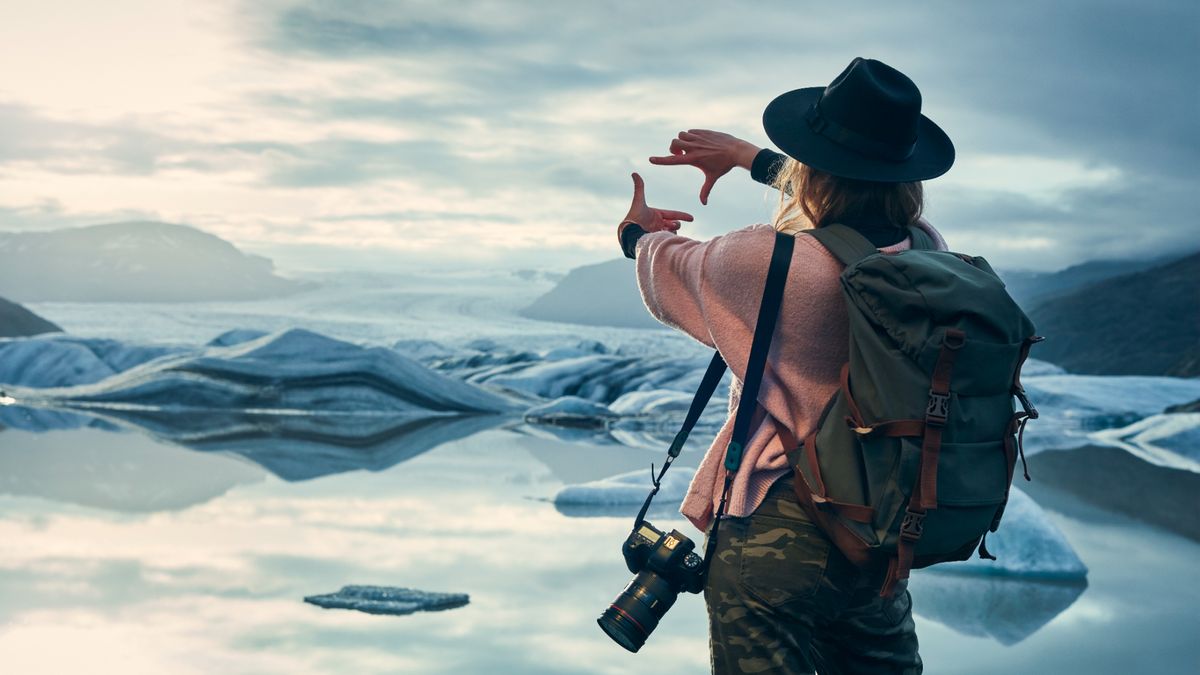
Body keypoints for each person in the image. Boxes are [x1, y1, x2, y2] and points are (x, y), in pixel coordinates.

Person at [615, 58, 956, 674]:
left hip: (777, 526)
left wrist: (636, 235)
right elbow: (856, 211)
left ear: (813, 167)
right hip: (875, 535)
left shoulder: (764, 262)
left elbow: (665, 272)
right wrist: (751, 159)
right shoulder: (928, 252)